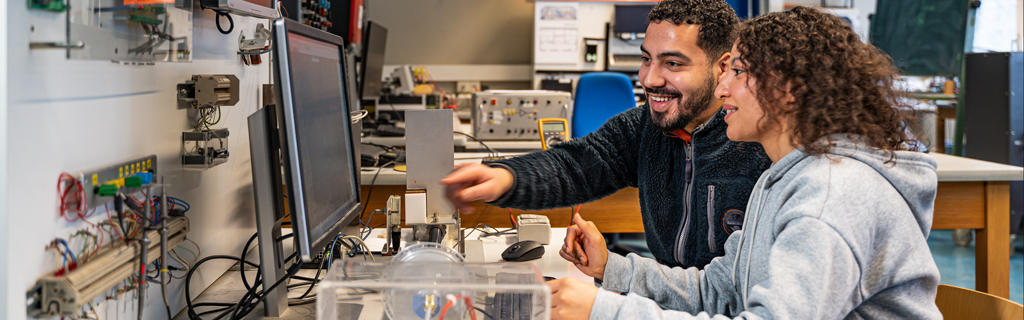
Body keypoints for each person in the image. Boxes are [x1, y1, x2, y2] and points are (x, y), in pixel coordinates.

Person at [547, 7, 942, 320]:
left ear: (789, 90)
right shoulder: (782, 179)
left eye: (737, 72)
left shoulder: (829, 197)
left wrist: (605, 311)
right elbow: (718, 291)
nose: (722, 87)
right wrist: (611, 269)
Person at [441, 0, 772, 269]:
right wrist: (507, 178)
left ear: (723, 67)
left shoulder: (762, 144)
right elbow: (575, 166)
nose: (649, 79)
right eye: (646, 59)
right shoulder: (644, 127)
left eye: (672, 64)